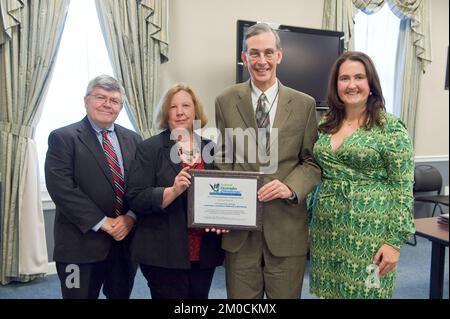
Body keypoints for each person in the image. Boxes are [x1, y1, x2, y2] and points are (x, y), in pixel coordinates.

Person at [215, 22, 321, 299]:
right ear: (244, 58)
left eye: (268, 53)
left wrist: (290, 187)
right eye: (254, 53)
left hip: (286, 227)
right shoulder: (225, 100)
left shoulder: (304, 104)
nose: (262, 61)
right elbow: (223, 156)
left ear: (279, 56)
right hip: (240, 231)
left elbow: (311, 162)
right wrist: (222, 206)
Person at [309, 51, 416, 299]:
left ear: (371, 84)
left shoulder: (389, 127)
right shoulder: (326, 125)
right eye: (344, 78)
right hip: (327, 229)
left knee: (368, 291)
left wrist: (393, 242)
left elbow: (402, 187)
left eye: (359, 77)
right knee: (330, 292)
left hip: (369, 231)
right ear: (336, 85)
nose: (352, 84)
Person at [45, 75, 142, 299]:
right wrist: (103, 222)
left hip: (123, 245)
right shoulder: (63, 138)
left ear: (121, 107)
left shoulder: (134, 140)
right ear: (86, 100)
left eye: (114, 100)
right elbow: (62, 189)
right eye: (101, 97)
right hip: (78, 248)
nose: (107, 104)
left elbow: (142, 185)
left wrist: (130, 217)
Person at [124, 83, 224, 299]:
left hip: (204, 251)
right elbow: (135, 197)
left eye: (186, 105)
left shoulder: (211, 148)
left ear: (195, 110)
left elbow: (220, 193)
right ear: (165, 112)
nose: (180, 112)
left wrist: (223, 218)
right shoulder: (149, 148)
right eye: (173, 107)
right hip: (163, 252)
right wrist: (172, 190)